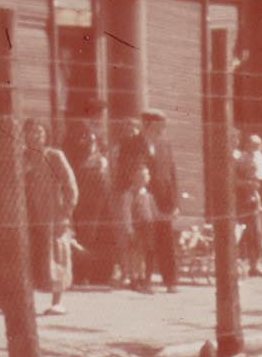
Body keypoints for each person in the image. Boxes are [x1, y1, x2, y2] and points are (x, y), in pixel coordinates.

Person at [24, 119, 79, 316]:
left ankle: (58, 301)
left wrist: (66, 210)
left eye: (39, 131)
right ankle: (27, 301)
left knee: (58, 255)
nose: (35, 135)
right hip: (29, 214)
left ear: (45, 134)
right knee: (30, 255)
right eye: (30, 132)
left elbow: (70, 183)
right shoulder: (22, 158)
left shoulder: (55, 156)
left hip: (53, 213)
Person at [126, 110, 182, 293]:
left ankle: (171, 280)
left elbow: (172, 174)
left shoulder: (165, 144)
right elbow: (125, 171)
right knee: (146, 240)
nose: (163, 129)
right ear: (148, 124)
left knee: (166, 239)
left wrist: (175, 203)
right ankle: (145, 280)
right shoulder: (133, 144)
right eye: (160, 125)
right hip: (143, 198)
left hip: (164, 198)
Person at [69, 128, 114, 286]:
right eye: (86, 140)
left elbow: (104, 185)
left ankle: (98, 275)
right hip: (83, 206)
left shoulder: (101, 162)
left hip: (99, 206)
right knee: (83, 240)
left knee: (97, 240)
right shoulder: (78, 160)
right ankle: (81, 275)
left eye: (92, 141)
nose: (89, 144)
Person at [112, 160, 156, 292]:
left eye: (145, 176)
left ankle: (145, 279)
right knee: (135, 254)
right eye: (140, 177)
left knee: (147, 253)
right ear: (133, 178)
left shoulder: (148, 195)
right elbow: (126, 212)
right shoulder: (129, 195)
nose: (143, 179)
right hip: (135, 229)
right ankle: (134, 278)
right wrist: (129, 228)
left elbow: (154, 211)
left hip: (148, 227)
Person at [235, 133, 262, 277]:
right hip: (241, 196)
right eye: (252, 145)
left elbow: (259, 178)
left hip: (254, 196)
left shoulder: (260, 158)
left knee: (256, 232)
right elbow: (234, 179)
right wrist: (246, 183)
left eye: (258, 146)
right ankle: (239, 263)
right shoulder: (240, 158)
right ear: (247, 145)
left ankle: (255, 265)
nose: (255, 148)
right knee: (241, 231)